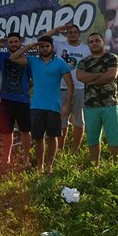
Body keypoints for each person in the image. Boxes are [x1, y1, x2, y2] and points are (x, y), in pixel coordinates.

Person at [10, 35, 73, 174]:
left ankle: (50, 166)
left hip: (54, 106)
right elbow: (13, 57)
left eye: (47, 46)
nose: (44, 49)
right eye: (42, 46)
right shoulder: (33, 61)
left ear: (52, 47)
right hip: (36, 106)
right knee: (38, 138)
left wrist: (67, 104)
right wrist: (30, 46)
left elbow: (70, 84)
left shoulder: (60, 63)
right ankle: (40, 166)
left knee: (53, 137)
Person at [0, 32, 32, 167]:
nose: (13, 44)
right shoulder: (1, 56)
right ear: (7, 44)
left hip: (23, 101)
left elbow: (34, 78)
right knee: (6, 131)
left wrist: (24, 88)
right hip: (6, 100)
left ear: (20, 43)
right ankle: (6, 158)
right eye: (10, 42)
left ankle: (26, 159)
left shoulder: (28, 60)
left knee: (25, 130)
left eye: (16, 42)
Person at [76, 33, 118, 166]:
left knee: (114, 138)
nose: (94, 43)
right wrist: (102, 74)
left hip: (110, 104)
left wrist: (90, 79)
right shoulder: (84, 62)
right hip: (90, 106)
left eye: (97, 40)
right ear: (88, 45)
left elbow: (111, 75)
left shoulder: (112, 58)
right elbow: (80, 77)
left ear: (103, 42)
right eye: (91, 42)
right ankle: (94, 167)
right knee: (92, 140)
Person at [44, 24, 89, 153]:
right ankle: (60, 150)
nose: (72, 34)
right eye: (70, 32)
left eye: (75, 32)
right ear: (66, 34)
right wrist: (58, 29)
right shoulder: (59, 46)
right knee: (62, 122)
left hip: (79, 89)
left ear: (79, 34)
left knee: (79, 121)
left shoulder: (86, 49)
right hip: (61, 88)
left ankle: (75, 150)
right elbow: (43, 38)